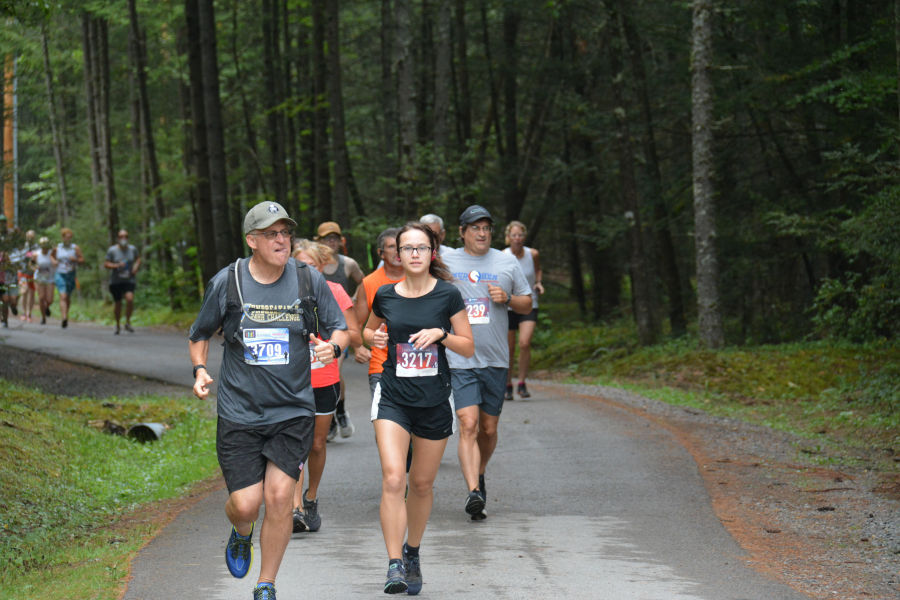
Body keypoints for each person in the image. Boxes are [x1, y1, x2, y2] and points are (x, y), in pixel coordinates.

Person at [189, 202, 348, 600]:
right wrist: (200, 369)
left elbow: (340, 329)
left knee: (279, 498)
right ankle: (241, 532)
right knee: (246, 505)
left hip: (292, 409)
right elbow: (200, 333)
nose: (282, 240)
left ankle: (266, 584)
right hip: (240, 413)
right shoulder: (228, 282)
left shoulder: (308, 279)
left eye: (285, 233)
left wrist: (334, 349)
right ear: (252, 240)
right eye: (272, 234)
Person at [364, 222, 473, 594]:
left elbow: (468, 346)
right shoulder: (384, 294)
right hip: (392, 395)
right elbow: (367, 331)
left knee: (421, 484)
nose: (413, 254)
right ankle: (394, 564)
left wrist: (442, 335)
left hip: (434, 400)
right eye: (406, 248)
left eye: (420, 248)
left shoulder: (448, 296)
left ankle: (412, 552)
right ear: (397, 254)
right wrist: (374, 337)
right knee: (394, 478)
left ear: (432, 253)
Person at [442, 205, 532, 521]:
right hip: (460, 357)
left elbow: (527, 301)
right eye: (475, 228)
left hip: (495, 358)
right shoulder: (447, 260)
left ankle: (478, 472)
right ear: (462, 231)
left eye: (486, 228)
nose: (482, 233)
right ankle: (473, 492)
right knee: (468, 423)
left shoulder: (506, 261)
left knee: (489, 429)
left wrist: (506, 299)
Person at [289, 239, 362, 534]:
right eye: (300, 266)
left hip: (324, 378)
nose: (305, 271)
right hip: (291, 381)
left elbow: (352, 332)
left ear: (322, 268)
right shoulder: (281, 294)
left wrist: (334, 347)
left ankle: (311, 497)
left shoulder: (334, 291)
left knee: (317, 444)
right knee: (295, 444)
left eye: (312, 266)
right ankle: (294, 508)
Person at [315, 221, 365, 439]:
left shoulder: (348, 264)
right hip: (316, 327)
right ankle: (331, 415)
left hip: (339, 327)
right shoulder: (311, 262)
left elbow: (365, 283)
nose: (331, 242)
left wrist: (353, 300)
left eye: (335, 237)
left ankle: (339, 412)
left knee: (334, 369)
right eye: (327, 238)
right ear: (319, 241)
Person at [353, 227, 404, 400]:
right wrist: (358, 346)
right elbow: (356, 323)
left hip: (419, 364)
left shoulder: (424, 279)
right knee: (386, 421)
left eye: (401, 246)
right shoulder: (369, 283)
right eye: (391, 247)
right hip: (381, 366)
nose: (397, 251)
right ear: (381, 253)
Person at [502, 221, 544, 399]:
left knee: (524, 343)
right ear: (508, 237)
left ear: (524, 237)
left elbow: (538, 270)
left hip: (529, 303)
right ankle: (508, 384)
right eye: (514, 235)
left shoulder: (532, 254)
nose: (517, 239)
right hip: (509, 305)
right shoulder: (502, 256)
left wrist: (538, 282)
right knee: (509, 348)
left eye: (520, 235)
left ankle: (522, 383)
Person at [104, 229, 142, 334]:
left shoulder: (132, 249)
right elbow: (106, 264)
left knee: (130, 299)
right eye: (121, 236)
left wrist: (135, 267)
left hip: (129, 279)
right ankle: (117, 324)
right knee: (118, 303)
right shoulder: (112, 250)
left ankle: (128, 322)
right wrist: (116, 265)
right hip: (116, 281)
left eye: (125, 236)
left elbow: (138, 259)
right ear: (118, 238)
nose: (123, 238)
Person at [50, 228, 84, 329]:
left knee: (67, 297)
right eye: (66, 237)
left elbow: (82, 259)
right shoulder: (58, 248)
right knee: (63, 296)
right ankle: (64, 317)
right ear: (63, 237)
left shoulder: (75, 248)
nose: (68, 239)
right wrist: (54, 262)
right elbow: (51, 256)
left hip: (71, 274)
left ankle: (66, 314)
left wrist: (76, 259)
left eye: (70, 238)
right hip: (60, 274)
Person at [15, 230, 38, 322]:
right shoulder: (23, 246)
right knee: (24, 291)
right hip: (23, 272)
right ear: (26, 236)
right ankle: (24, 312)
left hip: (32, 273)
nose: (30, 238)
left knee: (31, 293)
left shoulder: (37, 247)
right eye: (28, 236)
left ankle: (29, 313)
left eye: (32, 236)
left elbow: (38, 257)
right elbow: (18, 257)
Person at [33, 236, 56, 325]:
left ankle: (47, 307)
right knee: (41, 297)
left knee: (50, 299)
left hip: (50, 278)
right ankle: (43, 317)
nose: (45, 248)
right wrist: (35, 267)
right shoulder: (36, 254)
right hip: (40, 277)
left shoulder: (52, 253)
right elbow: (31, 264)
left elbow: (56, 254)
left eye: (46, 246)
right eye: (43, 246)